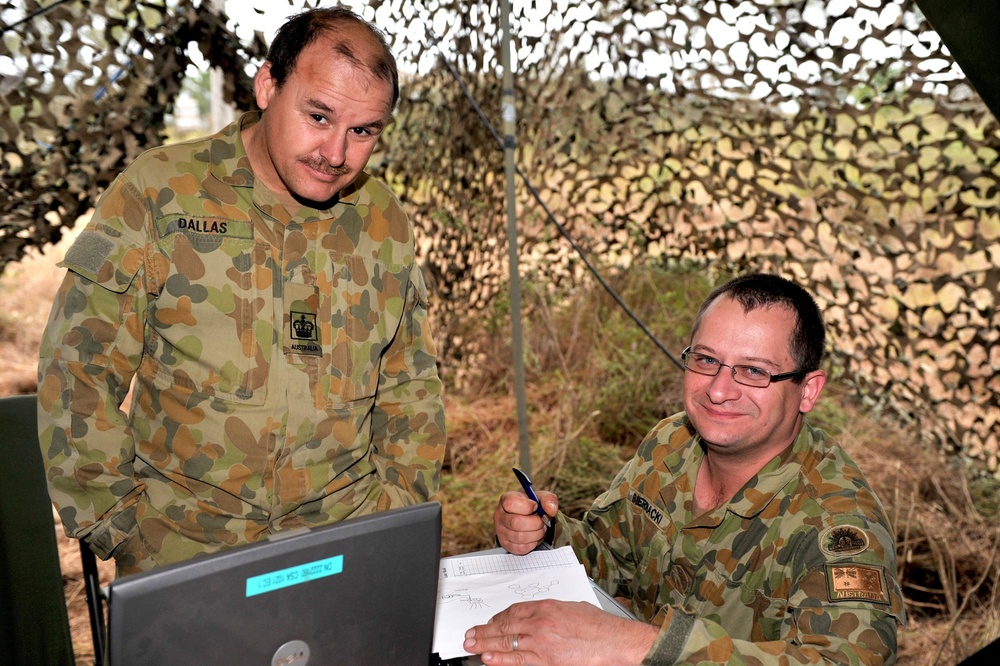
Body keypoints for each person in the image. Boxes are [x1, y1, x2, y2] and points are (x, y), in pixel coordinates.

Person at [36, 7, 446, 576]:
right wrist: (125, 529)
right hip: (187, 549)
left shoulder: (381, 220)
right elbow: (79, 366)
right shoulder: (162, 192)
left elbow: (410, 384)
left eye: (363, 131)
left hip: (343, 543)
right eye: (319, 115)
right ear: (267, 85)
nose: (336, 154)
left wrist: (399, 513)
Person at [465, 274, 905, 665]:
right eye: (706, 360)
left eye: (754, 371)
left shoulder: (838, 524)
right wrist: (544, 532)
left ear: (807, 390)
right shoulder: (672, 443)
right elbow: (611, 557)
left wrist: (638, 646)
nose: (718, 390)